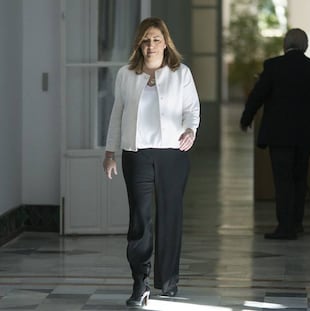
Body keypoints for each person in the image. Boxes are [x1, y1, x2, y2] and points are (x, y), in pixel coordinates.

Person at [103, 17, 200, 307]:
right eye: (146, 39)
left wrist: (190, 130)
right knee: (140, 220)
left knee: (170, 216)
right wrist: (110, 153)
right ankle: (140, 283)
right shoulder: (126, 74)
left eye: (156, 39)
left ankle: (168, 280)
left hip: (173, 154)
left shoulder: (181, 73)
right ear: (139, 44)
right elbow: (117, 114)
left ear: (166, 42)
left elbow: (191, 109)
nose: (151, 45)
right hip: (137, 154)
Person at [240, 28, 310, 240]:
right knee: (300, 179)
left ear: (284, 45)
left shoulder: (273, 66)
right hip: (306, 136)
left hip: (279, 136)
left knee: (283, 181)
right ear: (305, 46)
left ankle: (285, 227)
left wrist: (246, 118)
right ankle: (297, 223)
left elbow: (257, 96)